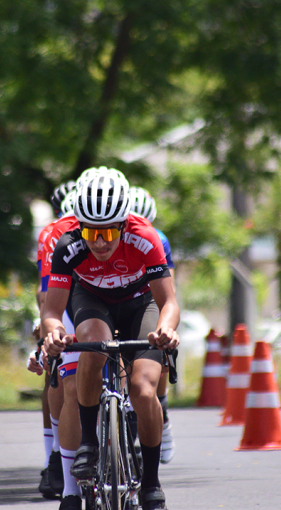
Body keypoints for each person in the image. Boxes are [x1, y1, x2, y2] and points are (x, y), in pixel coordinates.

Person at [42, 170, 180, 510]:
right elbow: (52, 311)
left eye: (107, 233)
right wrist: (54, 332)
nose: (99, 242)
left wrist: (165, 328)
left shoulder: (145, 239)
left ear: (122, 225)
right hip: (94, 301)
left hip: (140, 305)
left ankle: (150, 483)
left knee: (144, 389)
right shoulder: (68, 246)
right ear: (80, 226)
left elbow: (169, 303)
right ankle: (88, 440)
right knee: (93, 343)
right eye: (91, 232)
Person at [30, 181, 76, 499]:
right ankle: (57, 456)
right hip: (63, 303)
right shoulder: (52, 234)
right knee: (58, 372)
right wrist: (46, 330)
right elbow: (44, 290)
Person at [127, 186, 176, 464]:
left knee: (161, 355)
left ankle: (162, 407)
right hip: (117, 301)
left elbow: (169, 289)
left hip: (149, 299)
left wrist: (166, 327)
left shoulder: (157, 239)